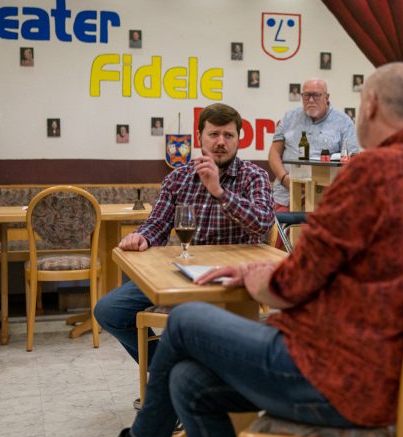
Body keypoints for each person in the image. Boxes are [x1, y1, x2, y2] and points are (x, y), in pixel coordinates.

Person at [69, 61, 403, 437]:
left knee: (187, 321)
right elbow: (343, 272)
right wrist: (263, 272)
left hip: (336, 378)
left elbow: (292, 285)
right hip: (388, 378)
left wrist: (259, 279)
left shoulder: (370, 171)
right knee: (186, 380)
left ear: (372, 106)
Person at [94, 103, 274, 373]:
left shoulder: (254, 177)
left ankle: (180, 384)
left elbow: (262, 222)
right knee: (109, 310)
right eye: (214, 135)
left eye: (228, 135)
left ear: (239, 139)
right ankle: (167, 376)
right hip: (185, 271)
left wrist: (220, 192)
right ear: (200, 137)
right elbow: (158, 223)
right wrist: (142, 236)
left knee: (183, 328)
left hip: (232, 277)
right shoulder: (178, 178)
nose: (221, 142)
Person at [268, 78, 359, 213]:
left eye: (316, 95)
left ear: (326, 97)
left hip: (325, 201)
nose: (310, 100)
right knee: (279, 232)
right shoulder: (289, 118)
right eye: (306, 95)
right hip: (285, 195)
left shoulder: (344, 123)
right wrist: (284, 179)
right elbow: (274, 153)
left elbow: (352, 160)